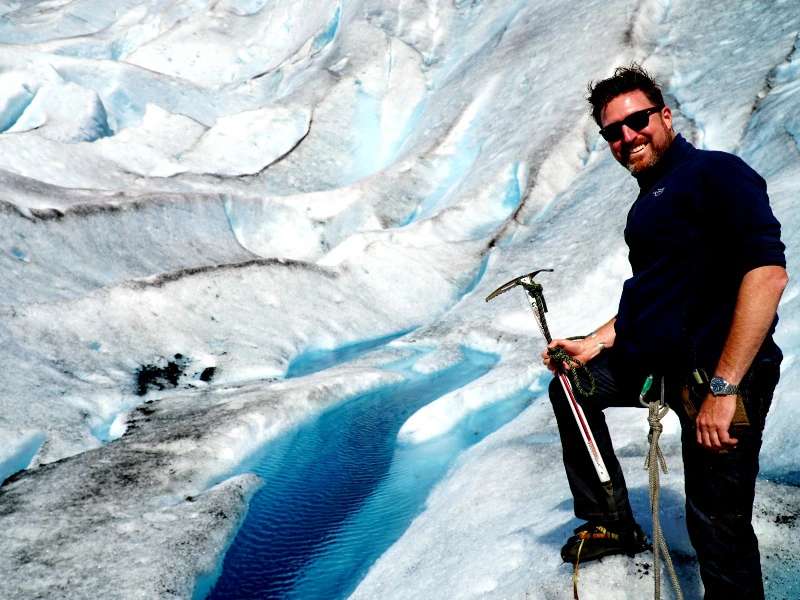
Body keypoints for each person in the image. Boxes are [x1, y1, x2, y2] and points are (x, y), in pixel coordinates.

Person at [542, 64, 787, 599]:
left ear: (665, 116)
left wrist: (724, 390)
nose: (628, 136)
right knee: (572, 385)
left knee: (716, 527)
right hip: (664, 367)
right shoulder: (649, 202)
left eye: (638, 120)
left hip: (717, 377)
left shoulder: (715, 174)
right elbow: (656, 295)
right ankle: (611, 521)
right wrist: (595, 342)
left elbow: (766, 273)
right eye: (613, 131)